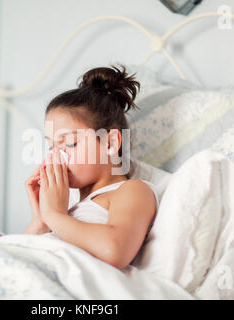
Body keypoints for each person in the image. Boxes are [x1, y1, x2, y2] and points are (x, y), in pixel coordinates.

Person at [23, 65, 158, 270]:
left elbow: (115, 251)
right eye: (52, 146)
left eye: (69, 144)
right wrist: (40, 222)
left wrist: (54, 215)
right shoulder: (69, 210)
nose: (55, 155)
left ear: (110, 143)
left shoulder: (132, 191)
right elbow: (16, 257)